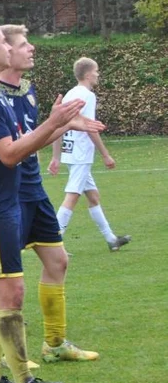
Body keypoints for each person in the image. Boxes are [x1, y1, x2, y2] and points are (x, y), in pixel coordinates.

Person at [0, 22, 102, 383]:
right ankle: (24, 381)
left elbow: (18, 142)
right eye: (4, 42)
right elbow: (8, 154)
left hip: (1, 203)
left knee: (7, 288)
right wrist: (55, 124)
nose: (12, 46)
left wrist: (58, 124)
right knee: (10, 291)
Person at [0, 26, 99, 362]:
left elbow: (32, 137)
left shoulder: (27, 89)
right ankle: (5, 356)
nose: (32, 48)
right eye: (24, 44)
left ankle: (54, 345)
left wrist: (64, 125)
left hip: (33, 189)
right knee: (5, 282)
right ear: (2, 51)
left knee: (58, 260)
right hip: (6, 195)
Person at [49, 57, 131, 252]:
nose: (98, 74)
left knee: (93, 197)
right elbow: (90, 128)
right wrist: (105, 154)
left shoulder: (70, 93)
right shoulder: (87, 95)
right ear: (87, 74)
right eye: (96, 71)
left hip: (71, 151)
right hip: (80, 154)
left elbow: (56, 124)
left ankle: (111, 239)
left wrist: (56, 156)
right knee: (72, 197)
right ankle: (54, 243)